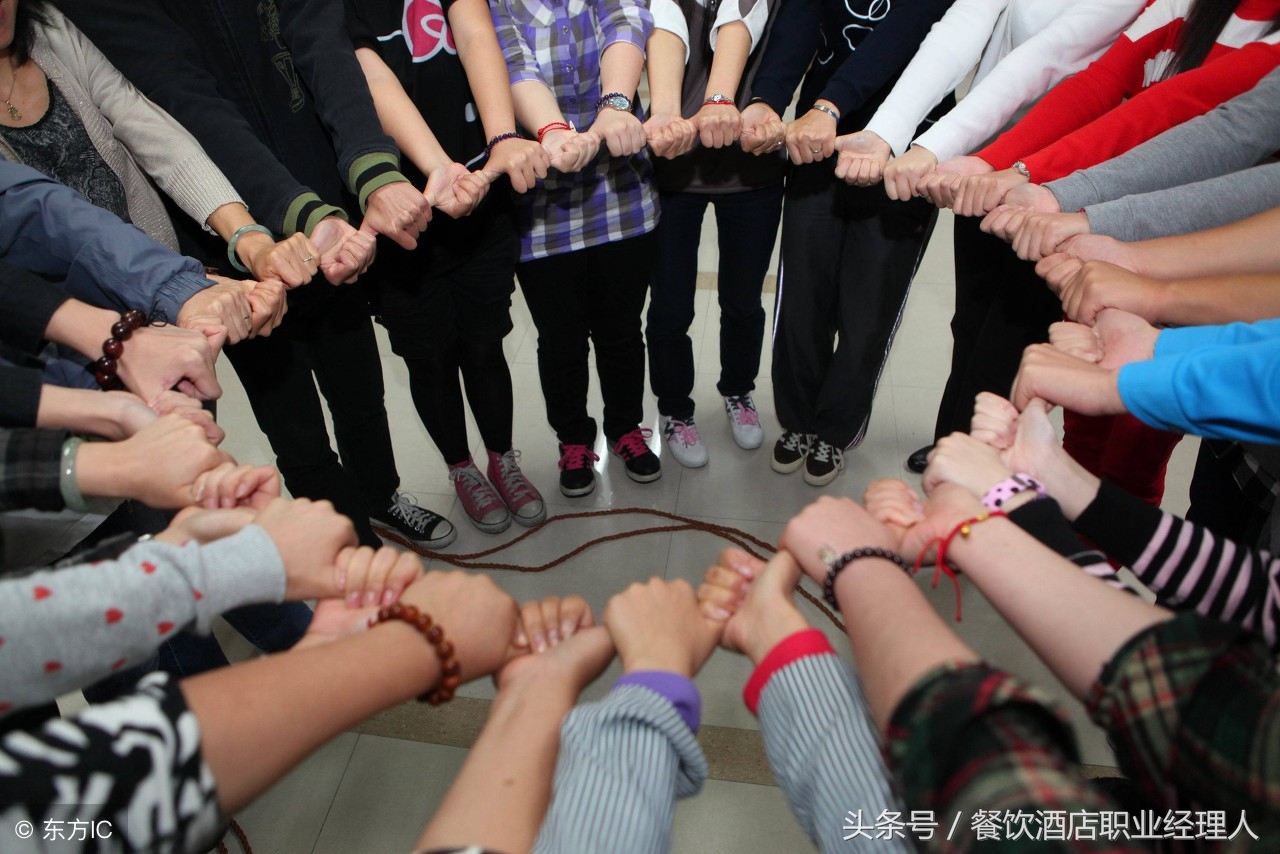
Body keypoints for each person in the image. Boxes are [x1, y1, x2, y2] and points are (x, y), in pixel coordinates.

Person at [61, 0, 457, 549]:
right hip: (226, 239)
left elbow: (324, 45)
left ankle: (380, 496)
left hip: (326, 210)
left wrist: (369, 168)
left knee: (360, 388)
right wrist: (286, 217)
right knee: (292, 420)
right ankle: (345, 544)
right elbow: (188, 104)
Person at [821, 0, 1144, 474]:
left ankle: (971, 475)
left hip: (1062, 180)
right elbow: (961, 29)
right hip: (982, 154)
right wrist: (891, 132)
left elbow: (1048, 58)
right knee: (969, 322)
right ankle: (950, 443)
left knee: (1009, 343)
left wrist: (934, 148)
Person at [347, 0, 547, 533]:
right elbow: (367, 75)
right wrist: (439, 172)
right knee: (430, 359)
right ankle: (460, 468)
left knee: (485, 345)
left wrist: (502, 140)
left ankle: (501, 457)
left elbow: (477, 31)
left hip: (480, 196)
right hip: (397, 215)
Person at [743, 0, 954, 487]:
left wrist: (829, 104)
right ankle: (798, 420)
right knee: (802, 296)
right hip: (816, 141)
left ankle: (835, 429)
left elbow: (906, 28)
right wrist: (768, 99)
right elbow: (799, 20)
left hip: (905, 150)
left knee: (868, 307)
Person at [491, 0, 664, 496]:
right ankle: (573, 440)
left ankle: (626, 429)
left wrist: (614, 107)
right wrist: (554, 132)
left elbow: (625, 22)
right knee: (561, 340)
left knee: (621, 331)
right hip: (541, 212)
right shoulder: (495, 7)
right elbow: (512, 62)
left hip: (622, 199)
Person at [639, 0, 786, 468]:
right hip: (672, 165)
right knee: (670, 304)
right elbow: (661, 28)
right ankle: (675, 410)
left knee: (743, 300)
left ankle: (738, 391)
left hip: (752, 165)